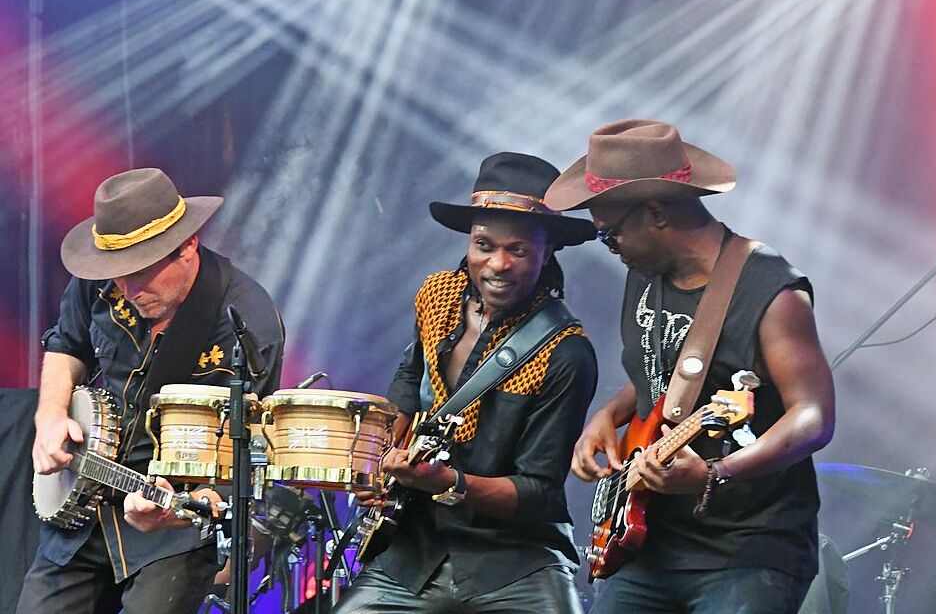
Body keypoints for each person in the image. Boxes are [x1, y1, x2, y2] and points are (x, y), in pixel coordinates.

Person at [544, 120, 835, 614]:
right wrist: (607, 417)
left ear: (655, 213)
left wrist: (714, 473)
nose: (611, 250)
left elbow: (814, 417)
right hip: (648, 541)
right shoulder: (649, 272)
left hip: (747, 551)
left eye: (610, 237)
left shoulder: (771, 291)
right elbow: (659, 375)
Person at [335, 152, 598, 614]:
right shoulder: (437, 297)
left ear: (547, 251)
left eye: (517, 250)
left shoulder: (566, 353)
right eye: (484, 245)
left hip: (516, 562)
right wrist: (379, 460)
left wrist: (449, 481)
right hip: (414, 552)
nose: (497, 263)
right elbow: (409, 379)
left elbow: (538, 493)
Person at [18, 167, 285, 614]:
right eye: (117, 274)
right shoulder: (102, 276)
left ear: (187, 246)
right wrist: (49, 414)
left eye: (140, 273)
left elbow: (248, 454)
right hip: (82, 512)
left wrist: (189, 505)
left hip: (169, 528)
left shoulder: (245, 321)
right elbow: (66, 343)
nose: (127, 288)